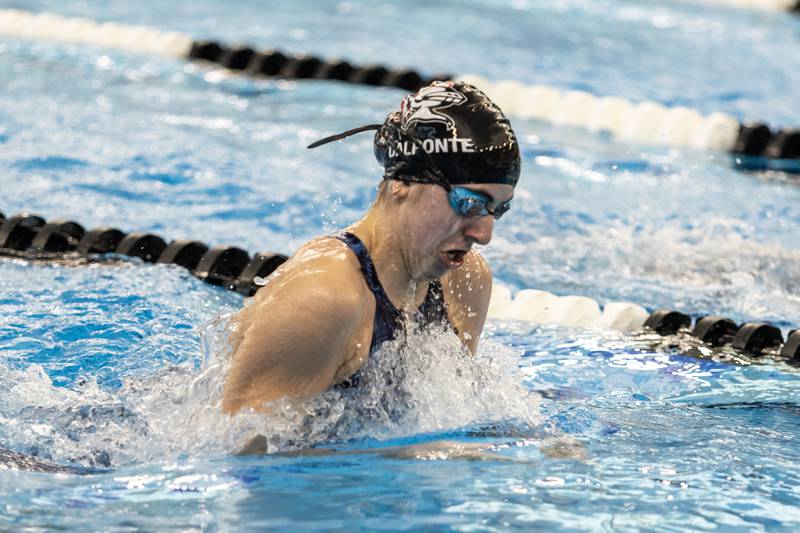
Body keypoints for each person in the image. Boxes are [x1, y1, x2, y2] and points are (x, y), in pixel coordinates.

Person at [222, 80, 521, 415]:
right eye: (469, 203)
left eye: (498, 209)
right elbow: (243, 455)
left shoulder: (466, 282)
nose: (484, 233)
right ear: (403, 182)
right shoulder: (323, 300)